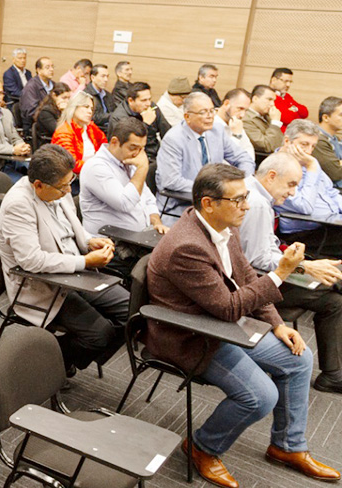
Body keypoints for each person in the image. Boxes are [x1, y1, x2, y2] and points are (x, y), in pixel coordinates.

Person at [144, 163, 339, 487]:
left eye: (246, 197)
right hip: (189, 334)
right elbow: (228, 307)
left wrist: (277, 324)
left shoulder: (225, 226)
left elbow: (246, 278)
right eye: (238, 200)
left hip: (219, 323)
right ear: (209, 203)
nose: (246, 206)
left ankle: (287, 446)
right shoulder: (186, 246)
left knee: (299, 358)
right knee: (260, 396)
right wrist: (282, 272)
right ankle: (202, 447)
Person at [0, 144, 129, 373]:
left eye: (71, 182)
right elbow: (32, 261)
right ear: (38, 185)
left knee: (131, 312)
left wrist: (89, 242)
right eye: (63, 187)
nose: (69, 191)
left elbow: (73, 228)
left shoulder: (58, 187)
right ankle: (43, 364)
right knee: (99, 334)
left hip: (74, 272)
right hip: (43, 284)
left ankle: (63, 360)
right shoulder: (18, 205)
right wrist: (86, 261)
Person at [238, 152, 342, 394]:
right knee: (333, 284)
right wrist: (303, 265)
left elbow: (265, 247)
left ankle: (333, 375)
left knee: (334, 300)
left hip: (268, 274)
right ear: (272, 176)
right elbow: (256, 261)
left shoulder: (258, 196)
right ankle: (333, 375)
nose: (293, 193)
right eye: (292, 184)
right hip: (257, 285)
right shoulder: (257, 204)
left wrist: (295, 258)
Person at [79, 118, 167, 276]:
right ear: (114, 142)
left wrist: (156, 222)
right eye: (133, 147)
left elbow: (147, 198)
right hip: (111, 248)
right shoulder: (96, 167)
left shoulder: (129, 162)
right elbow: (124, 203)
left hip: (138, 240)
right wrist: (143, 168)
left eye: (142, 149)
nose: (138, 154)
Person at [155, 92, 255, 222]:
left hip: (215, 201)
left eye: (212, 111)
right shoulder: (174, 139)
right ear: (187, 116)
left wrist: (241, 182)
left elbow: (244, 158)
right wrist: (213, 190)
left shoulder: (217, 131)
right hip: (181, 205)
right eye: (203, 112)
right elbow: (171, 181)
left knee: (251, 209)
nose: (210, 116)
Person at [275, 120, 342, 257]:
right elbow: (304, 206)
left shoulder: (307, 163)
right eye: (304, 145)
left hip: (333, 224)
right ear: (287, 142)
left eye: (313, 146)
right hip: (306, 233)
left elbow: (332, 192)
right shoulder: (277, 169)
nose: (309, 151)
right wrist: (312, 169)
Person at [108, 82, 171, 160]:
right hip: (134, 158)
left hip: (155, 154)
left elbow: (167, 132)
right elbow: (129, 145)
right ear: (131, 101)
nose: (148, 104)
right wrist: (146, 124)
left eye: (149, 99)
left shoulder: (151, 107)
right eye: (143, 100)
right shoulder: (119, 117)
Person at [52, 91, 106, 175]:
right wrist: (97, 167)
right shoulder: (64, 132)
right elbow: (72, 165)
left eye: (91, 109)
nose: (90, 112)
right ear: (74, 107)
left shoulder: (90, 127)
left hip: (92, 172)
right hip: (73, 178)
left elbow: (105, 148)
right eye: (86, 107)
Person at [214, 88, 255, 161]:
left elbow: (249, 153)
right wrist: (236, 136)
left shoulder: (236, 123)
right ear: (226, 104)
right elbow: (219, 158)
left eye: (246, 110)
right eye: (240, 108)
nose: (242, 115)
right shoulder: (211, 123)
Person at [243, 84, 285, 154]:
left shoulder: (268, 116)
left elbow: (280, 143)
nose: (272, 104)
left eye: (273, 100)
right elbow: (266, 146)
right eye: (269, 99)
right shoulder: (245, 119)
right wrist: (275, 123)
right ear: (255, 99)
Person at [19, 56, 54, 134]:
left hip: (51, 122)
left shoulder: (54, 85)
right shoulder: (31, 87)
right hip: (37, 128)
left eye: (52, 67)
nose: (51, 69)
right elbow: (31, 112)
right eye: (47, 67)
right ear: (38, 70)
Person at [32, 84, 72, 150]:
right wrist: (64, 112)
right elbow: (59, 131)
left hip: (63, 142)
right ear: (54, 96)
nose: (67, 101)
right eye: (64, 98)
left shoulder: (62, 109)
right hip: (49, 146)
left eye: (69, 98)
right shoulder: (45, 112)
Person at [314, 96, 342, 185]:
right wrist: (338, 163)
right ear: (325, 118)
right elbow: (336, 173)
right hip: (331, 190)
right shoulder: (318, 140)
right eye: (341, 115)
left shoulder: (335, 138)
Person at [270, 68, 307, 132]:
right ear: (274, 80)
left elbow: (305, 112)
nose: (288, 85)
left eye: (290, 82)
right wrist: (296, 113)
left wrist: (295, 109)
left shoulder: (286, 96)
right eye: (285, 81)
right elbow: (287, 118)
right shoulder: (269, 96)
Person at [83, 64, 113, 129]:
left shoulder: (107, 94)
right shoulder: (86, 94)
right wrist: (113, 115)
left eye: (107, 76)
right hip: (95, 129)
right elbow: (93, 117)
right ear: (93, 78)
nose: (106, 79)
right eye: (103, 76)